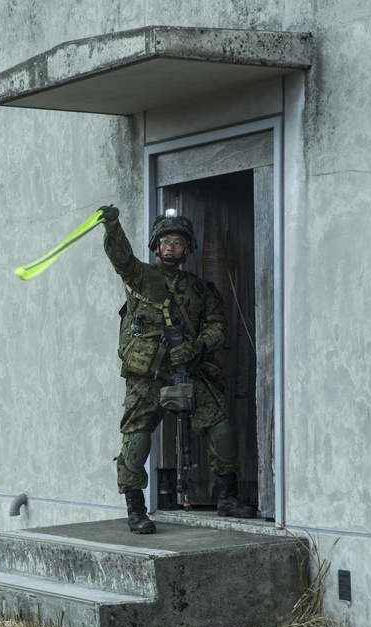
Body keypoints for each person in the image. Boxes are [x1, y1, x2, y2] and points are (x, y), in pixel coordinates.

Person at [100, 205, 256, 534]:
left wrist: (196, 346)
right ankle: (136, 509)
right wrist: (113, 227)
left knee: (221, 428)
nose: (171, 247)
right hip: (150, 374)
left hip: (191, 369)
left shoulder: (199, 289)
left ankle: (227, 497)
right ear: (156, 246)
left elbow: (217, 327)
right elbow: (121, 258)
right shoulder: (141, 276)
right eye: (165, 241)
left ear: (188, 249)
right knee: (137, 438)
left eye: (178, 242)